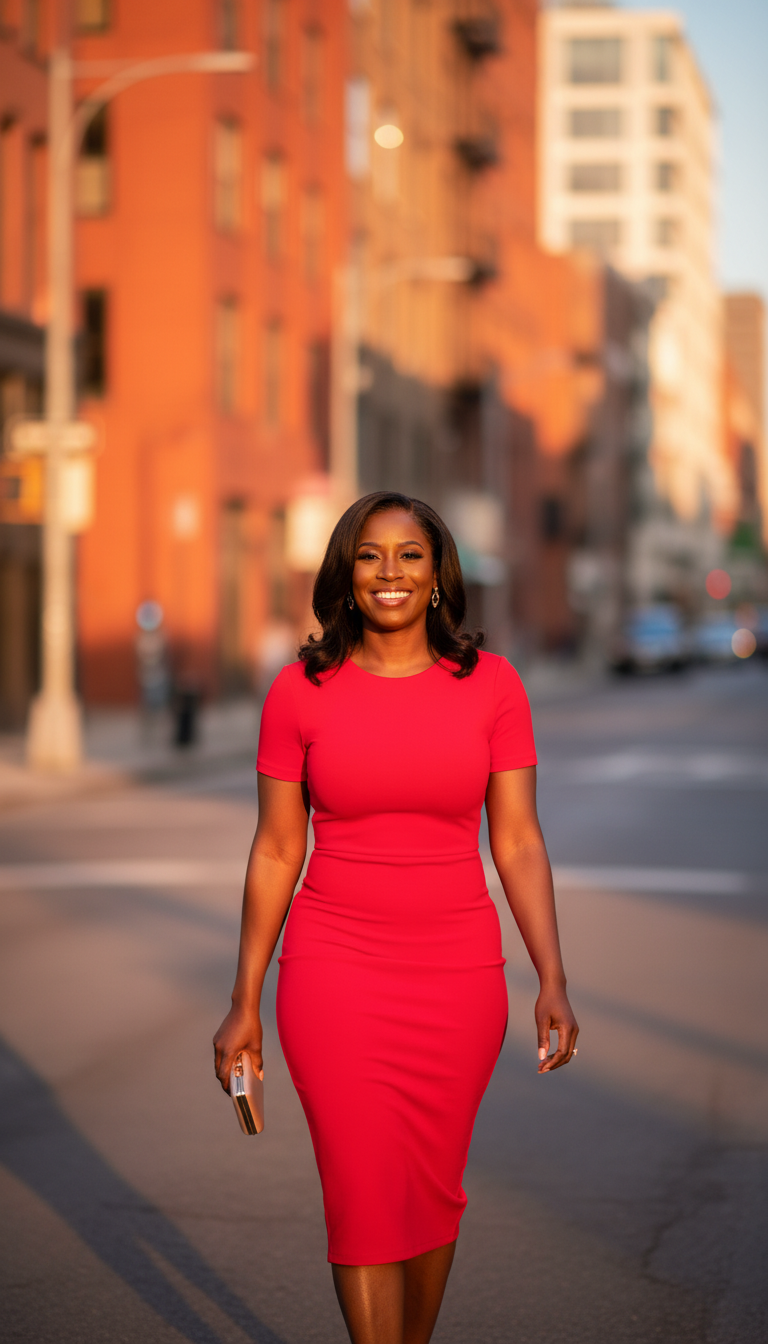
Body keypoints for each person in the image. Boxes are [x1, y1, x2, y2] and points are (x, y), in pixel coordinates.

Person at [214, 492, 578, 1344]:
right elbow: (275, 850)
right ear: (344, 574)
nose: (390, 573)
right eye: (370, 556)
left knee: (432, 1189)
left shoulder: (492, 687)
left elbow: (518, 842)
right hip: (333, 970)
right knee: (360, 1192)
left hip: (458, 974)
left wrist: (551, 978)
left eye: (410, 556)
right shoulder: (299, 693)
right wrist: (244, 1000)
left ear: (439, 578)